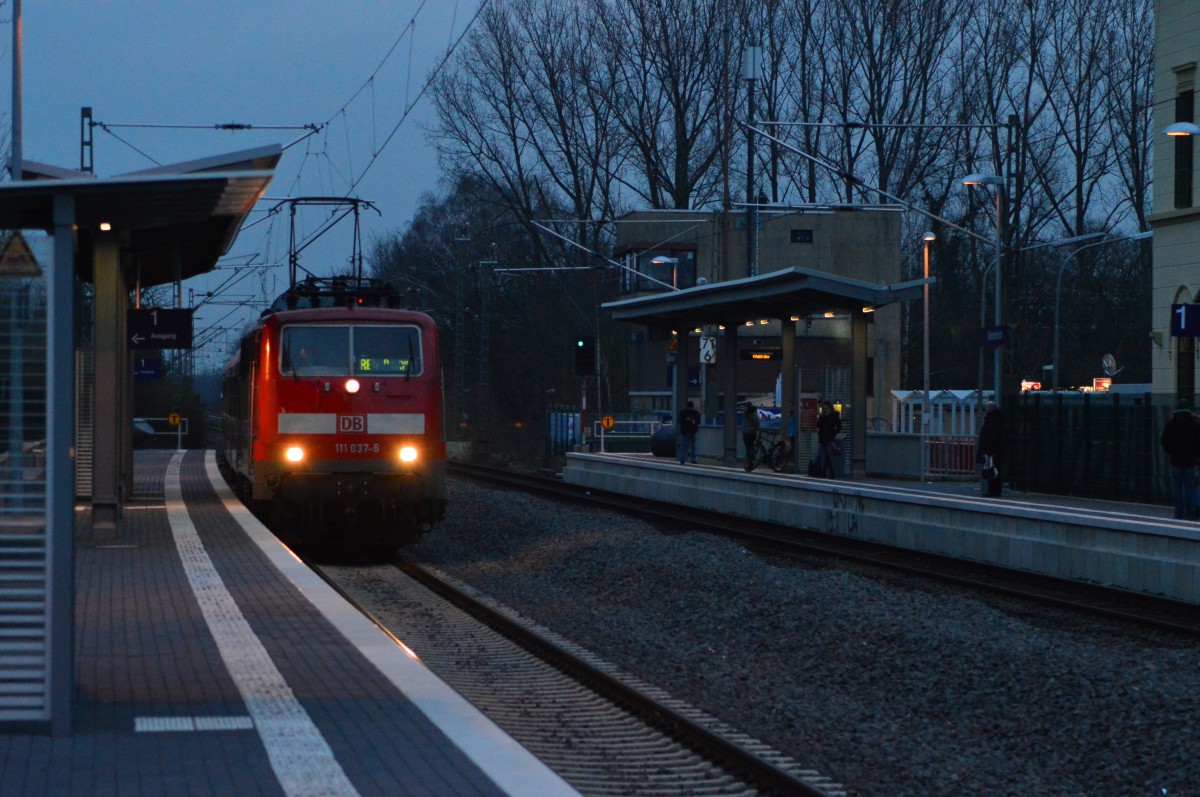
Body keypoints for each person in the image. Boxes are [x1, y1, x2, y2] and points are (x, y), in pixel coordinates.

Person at [1161, 398, 1200, 520]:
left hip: (1176, 460)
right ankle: (1190, 513)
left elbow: (1164, 441)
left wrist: (1171, 452)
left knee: (1177, 488)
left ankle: (1178, 513)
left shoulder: (1170, 423)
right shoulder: (1195, 424)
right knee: (1189, 487)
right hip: (1191, 461)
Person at [977, 400, 1004, 497]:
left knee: (991, 470)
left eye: (986, 408)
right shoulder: (999, 419)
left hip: (991, 451)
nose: (985, 409)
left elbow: (990, 437)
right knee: (995, 470)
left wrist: (988, 450)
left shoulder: (991, 420)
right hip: (996, 450)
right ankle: (995, 490)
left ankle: (993, 491)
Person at [815, 401, 843, 478]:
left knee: (827, 455)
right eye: (824, 408)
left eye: (827, 408)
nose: (825, 410)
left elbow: (839, 426)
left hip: (829, 438)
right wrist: (822, 417)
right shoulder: (823, 416)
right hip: (823, 438)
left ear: (830, 408)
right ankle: (826, 471)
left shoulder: (834, 416)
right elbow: (818, 425)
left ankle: (826, 471)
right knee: (825, 455)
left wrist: (833, 433)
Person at [676, 401, 701, 465]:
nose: (690, 409)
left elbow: (698, 421)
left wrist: (691, 421)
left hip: (690, 431)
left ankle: (688, 459)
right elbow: (680, 421)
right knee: (687, 446)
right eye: (689, 407)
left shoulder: (684, 413)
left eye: (691, 407)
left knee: (687, 446)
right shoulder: (693, 413)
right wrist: (689, 420)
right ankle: (685, 459)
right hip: (687, 431)